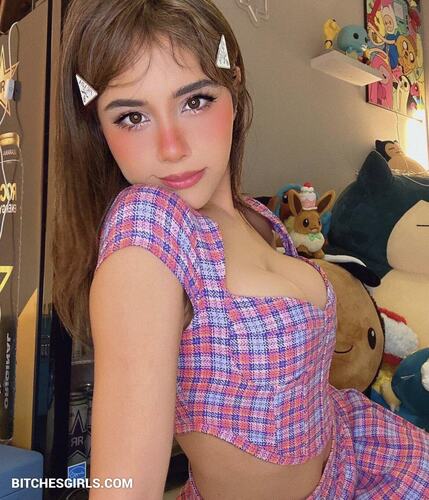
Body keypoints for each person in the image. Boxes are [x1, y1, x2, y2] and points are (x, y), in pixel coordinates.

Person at [52, 1, 429, 499]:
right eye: (132, 116)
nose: (171, 147)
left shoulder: (255, 214)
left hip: (361, 446)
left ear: (234, 89)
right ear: (98, 128)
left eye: (195, 101)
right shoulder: (148, 225)